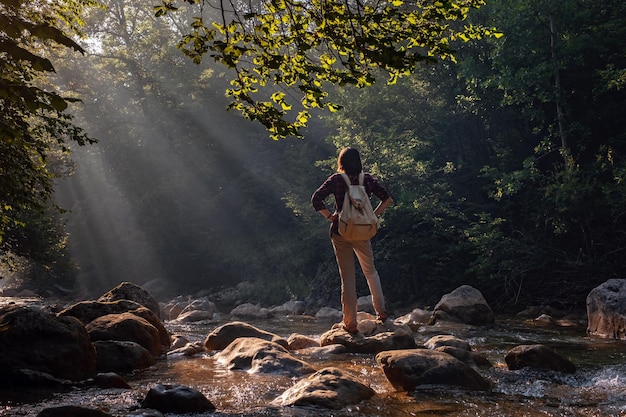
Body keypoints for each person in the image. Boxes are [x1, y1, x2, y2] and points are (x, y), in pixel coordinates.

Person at [311, 147, 393, 334]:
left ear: (341, 162)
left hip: (341, 232)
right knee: (371, 272)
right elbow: (387, 198)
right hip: (363, 232)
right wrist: (373, 215)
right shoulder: (368, 179)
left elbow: (316, 199)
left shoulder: (337, 179)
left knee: (347, 278)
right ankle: (382, 313)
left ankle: (350, 324)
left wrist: (330, 216)